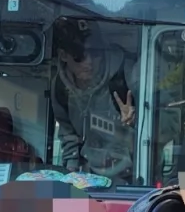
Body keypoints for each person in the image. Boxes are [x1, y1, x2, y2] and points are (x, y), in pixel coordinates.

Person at [51, 17, 137, 185]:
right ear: (63, 55)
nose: (89, 62)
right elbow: (68, 134)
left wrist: (136, 122)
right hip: (88, 178)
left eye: (95, 54)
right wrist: (71, 171)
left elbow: (161, 127)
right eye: (79, 56)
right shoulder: (60, 87)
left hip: (130, 178)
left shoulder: (127, 74)